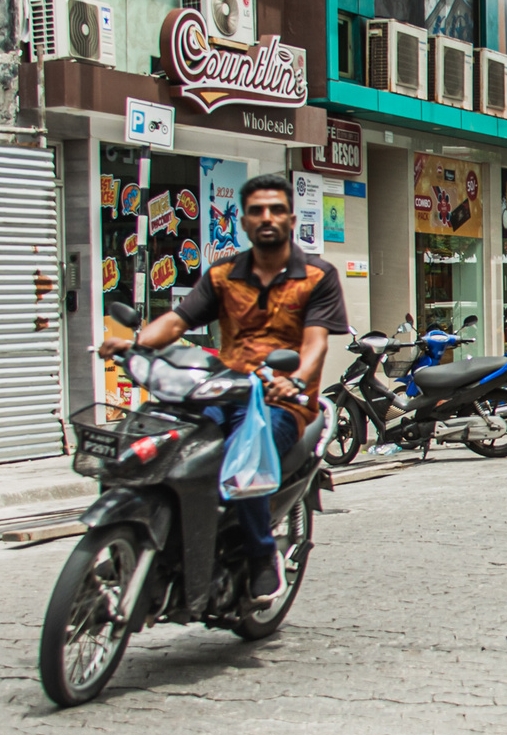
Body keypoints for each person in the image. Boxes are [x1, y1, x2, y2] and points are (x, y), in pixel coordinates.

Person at [99, 173, 349, 595]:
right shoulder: (223, 275)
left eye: (275, 210)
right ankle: (132, 545)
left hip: (279, 402)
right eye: (256, 211)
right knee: (145, 441)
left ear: (290, 218)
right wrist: (135, 344)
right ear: (245, 221)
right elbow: (178, 320)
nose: (266, 218)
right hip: (222, 389)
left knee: (242, 455)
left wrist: (297, 381)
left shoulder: (317, 276)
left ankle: (259, 554)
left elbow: (314, 344)